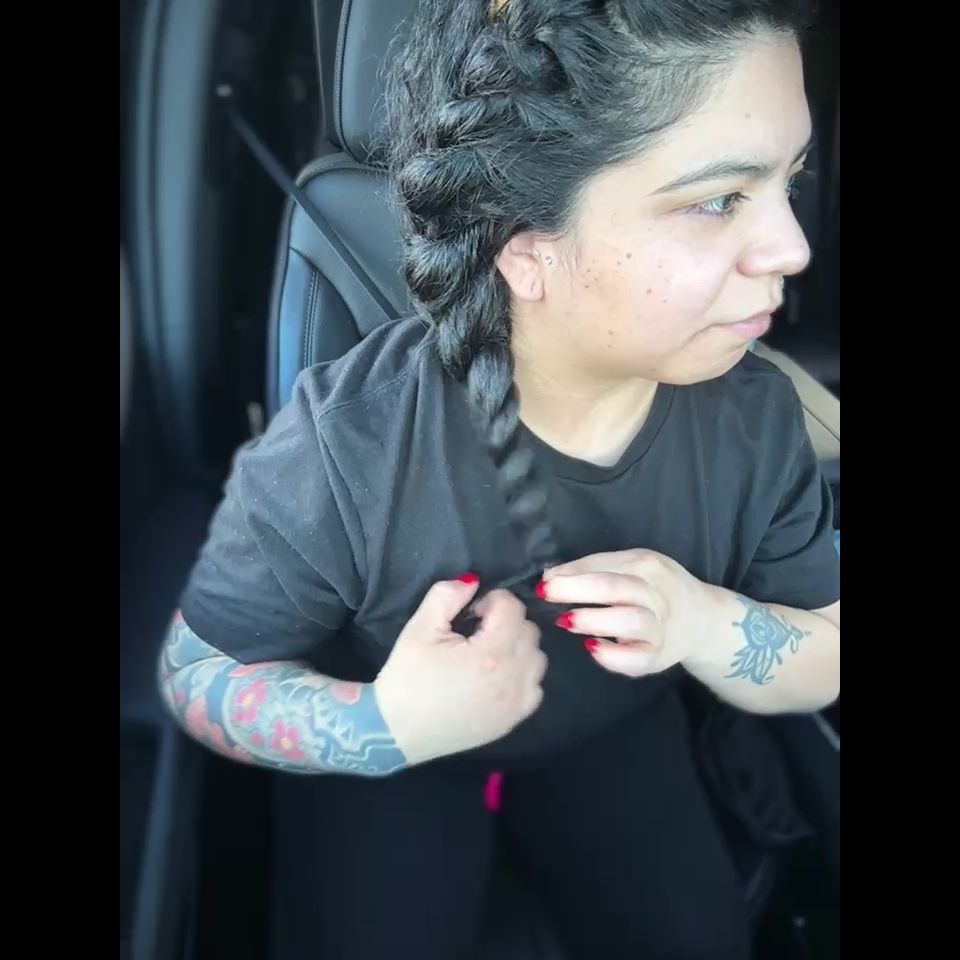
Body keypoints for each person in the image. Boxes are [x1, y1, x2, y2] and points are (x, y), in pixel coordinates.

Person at [159, 0, 840, 956]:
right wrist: (386, 723)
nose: (793, 248)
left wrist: (704, 624)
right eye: (720, 200)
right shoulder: (348, 445)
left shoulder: (757, 417)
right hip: (399, 750)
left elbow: (828, 645)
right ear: (524, 249)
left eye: (789, 180)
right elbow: (196, 675)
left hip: (610, 732)